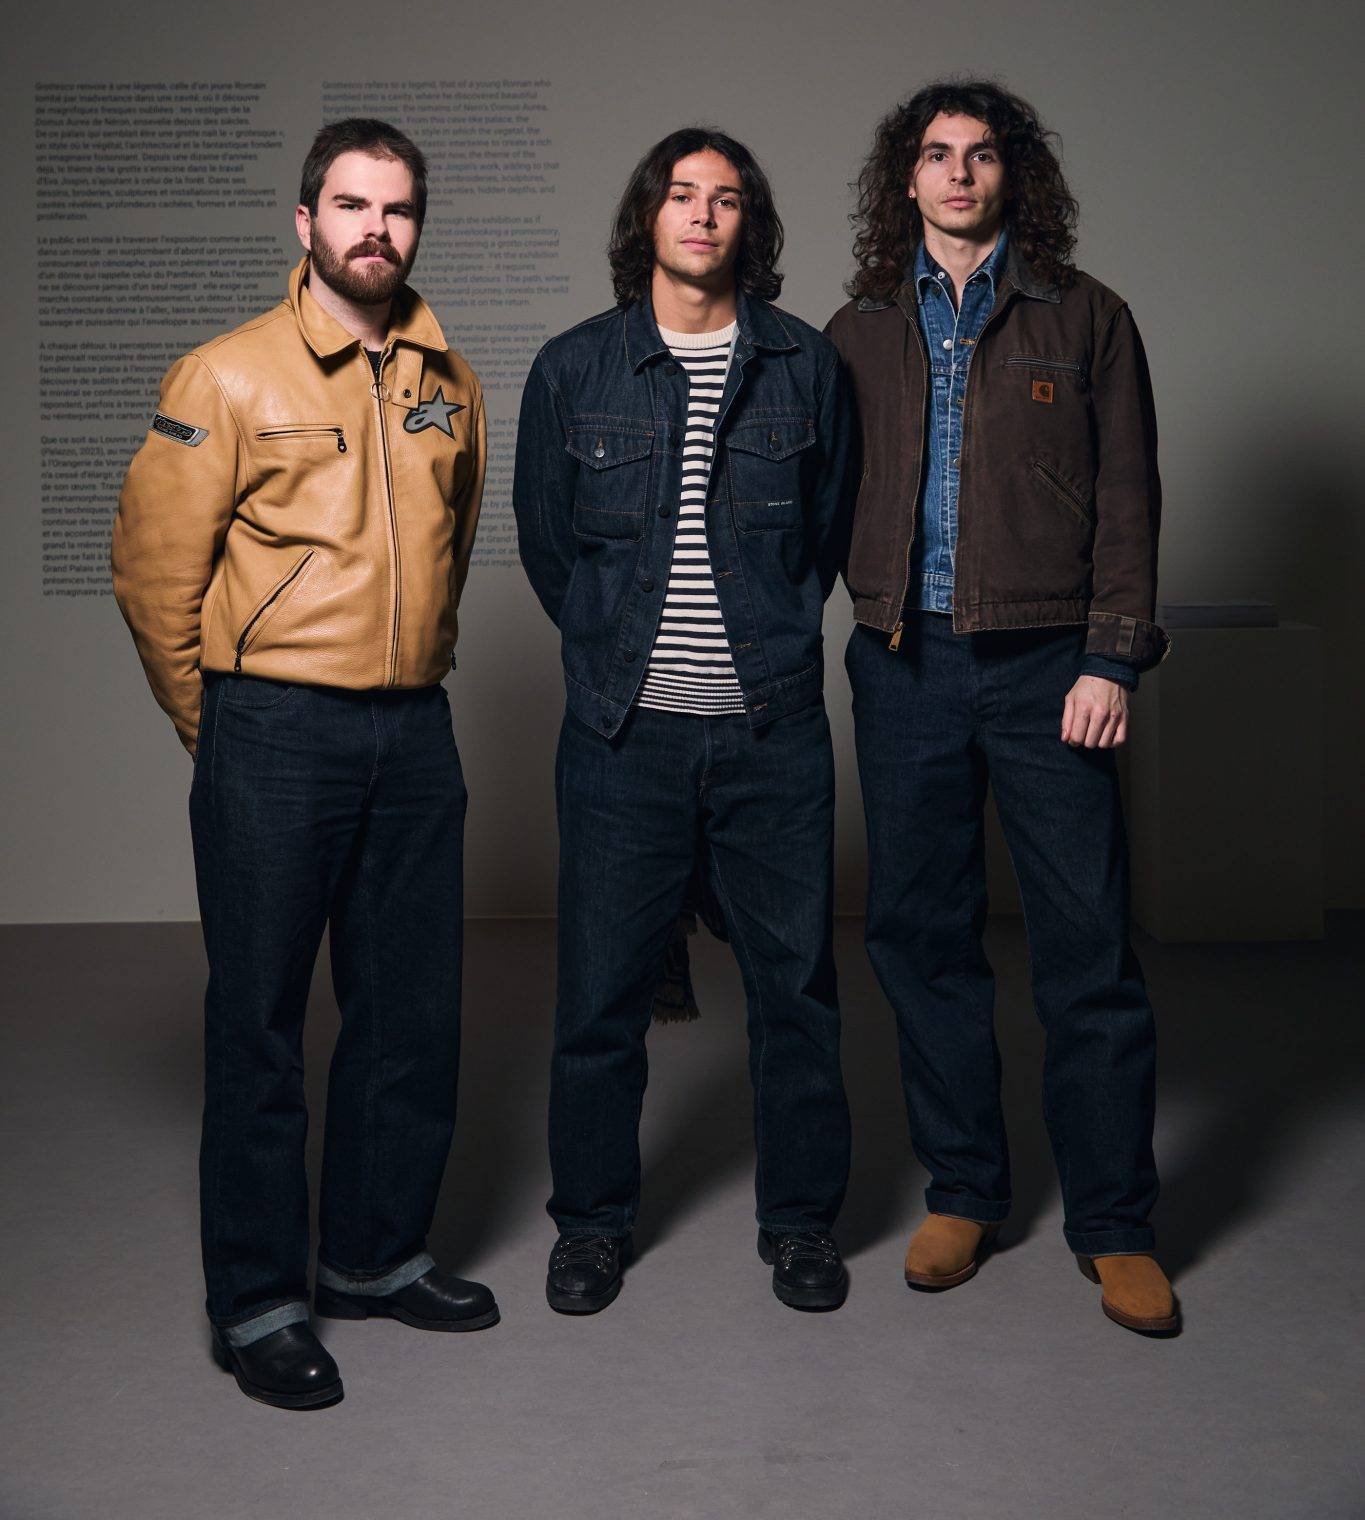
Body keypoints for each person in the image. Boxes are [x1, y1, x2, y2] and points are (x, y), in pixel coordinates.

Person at [112, 118, 498, 1410]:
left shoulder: (449, 372)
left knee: (408, 1014)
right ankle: (261, 1300)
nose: (373, 229)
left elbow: (455, 534)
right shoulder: (226, 374)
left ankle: (378, 1258)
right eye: (349, 205)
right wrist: (218, 725)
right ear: (305, 223)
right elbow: (153, 572)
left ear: (415, 227)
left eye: (395, 209)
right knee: (261, 1025)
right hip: (273, 729)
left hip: (415, 729)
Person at [826, 79, 1179, 1336]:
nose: (959, 173)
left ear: (1011, 175)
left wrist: (1111, 658)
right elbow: (819, 499)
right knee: (921, 944)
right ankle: (966, 1188)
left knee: (1086, 953)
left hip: (1049, 674)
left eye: (980, 155)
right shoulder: (858, 325)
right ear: (906, 179)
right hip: (904, 664)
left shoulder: (1089, 318)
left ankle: (1116, 1222)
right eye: (936, 154)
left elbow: (1130, 503)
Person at [514, 127, 855, 1315]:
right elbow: (552, 553)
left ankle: (803, 1222)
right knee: (600, 999)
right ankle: (592, 1225)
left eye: (725, 199)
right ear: (645, 218)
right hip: (623, 740)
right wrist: (629, 665)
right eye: (681, 194)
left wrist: (753, 653)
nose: (702, 214)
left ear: (749, 225)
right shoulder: (573, 369)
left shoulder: (806, 367)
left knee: (796, 990)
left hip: (773, 735)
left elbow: (824, 538)